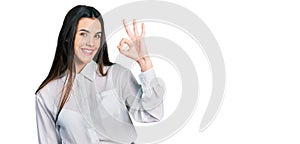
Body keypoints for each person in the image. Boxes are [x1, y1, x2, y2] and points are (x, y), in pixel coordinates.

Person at [35, 5, 164, 144]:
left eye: (97, 36)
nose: (91, 43)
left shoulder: (116, 76)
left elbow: (152, 114)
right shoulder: (47, 94)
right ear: (68, 37)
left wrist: (145, 63)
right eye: (83, 34)